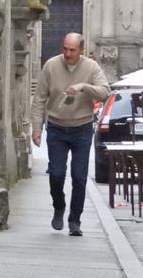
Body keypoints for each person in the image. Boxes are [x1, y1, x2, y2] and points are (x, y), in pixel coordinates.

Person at [31, 32, 110, 236]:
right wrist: (37, 128)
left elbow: (105, 92)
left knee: (79, 177)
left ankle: (75, 221)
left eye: (72, 50)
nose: (67, 53)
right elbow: (39, 98)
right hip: (56, 127)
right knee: (56, 174)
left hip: (82, 128)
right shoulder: (51, 65)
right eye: (65, 49)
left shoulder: (91, 67)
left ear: (81, 50)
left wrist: (84, 87)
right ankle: (59, 206)